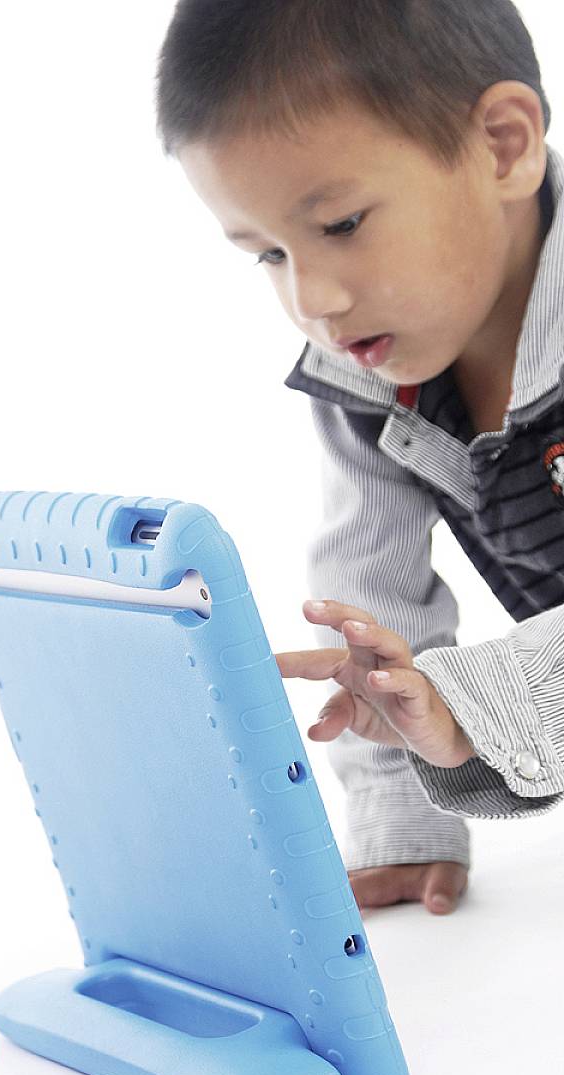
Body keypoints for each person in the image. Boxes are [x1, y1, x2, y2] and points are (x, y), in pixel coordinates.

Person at [155, 0, 564, 914]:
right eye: (266, 253)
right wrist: (402, 819)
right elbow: (370, 603)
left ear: (503, 145)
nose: (315, 300)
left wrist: (468, 704)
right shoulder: (376, 380)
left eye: (340, 224)